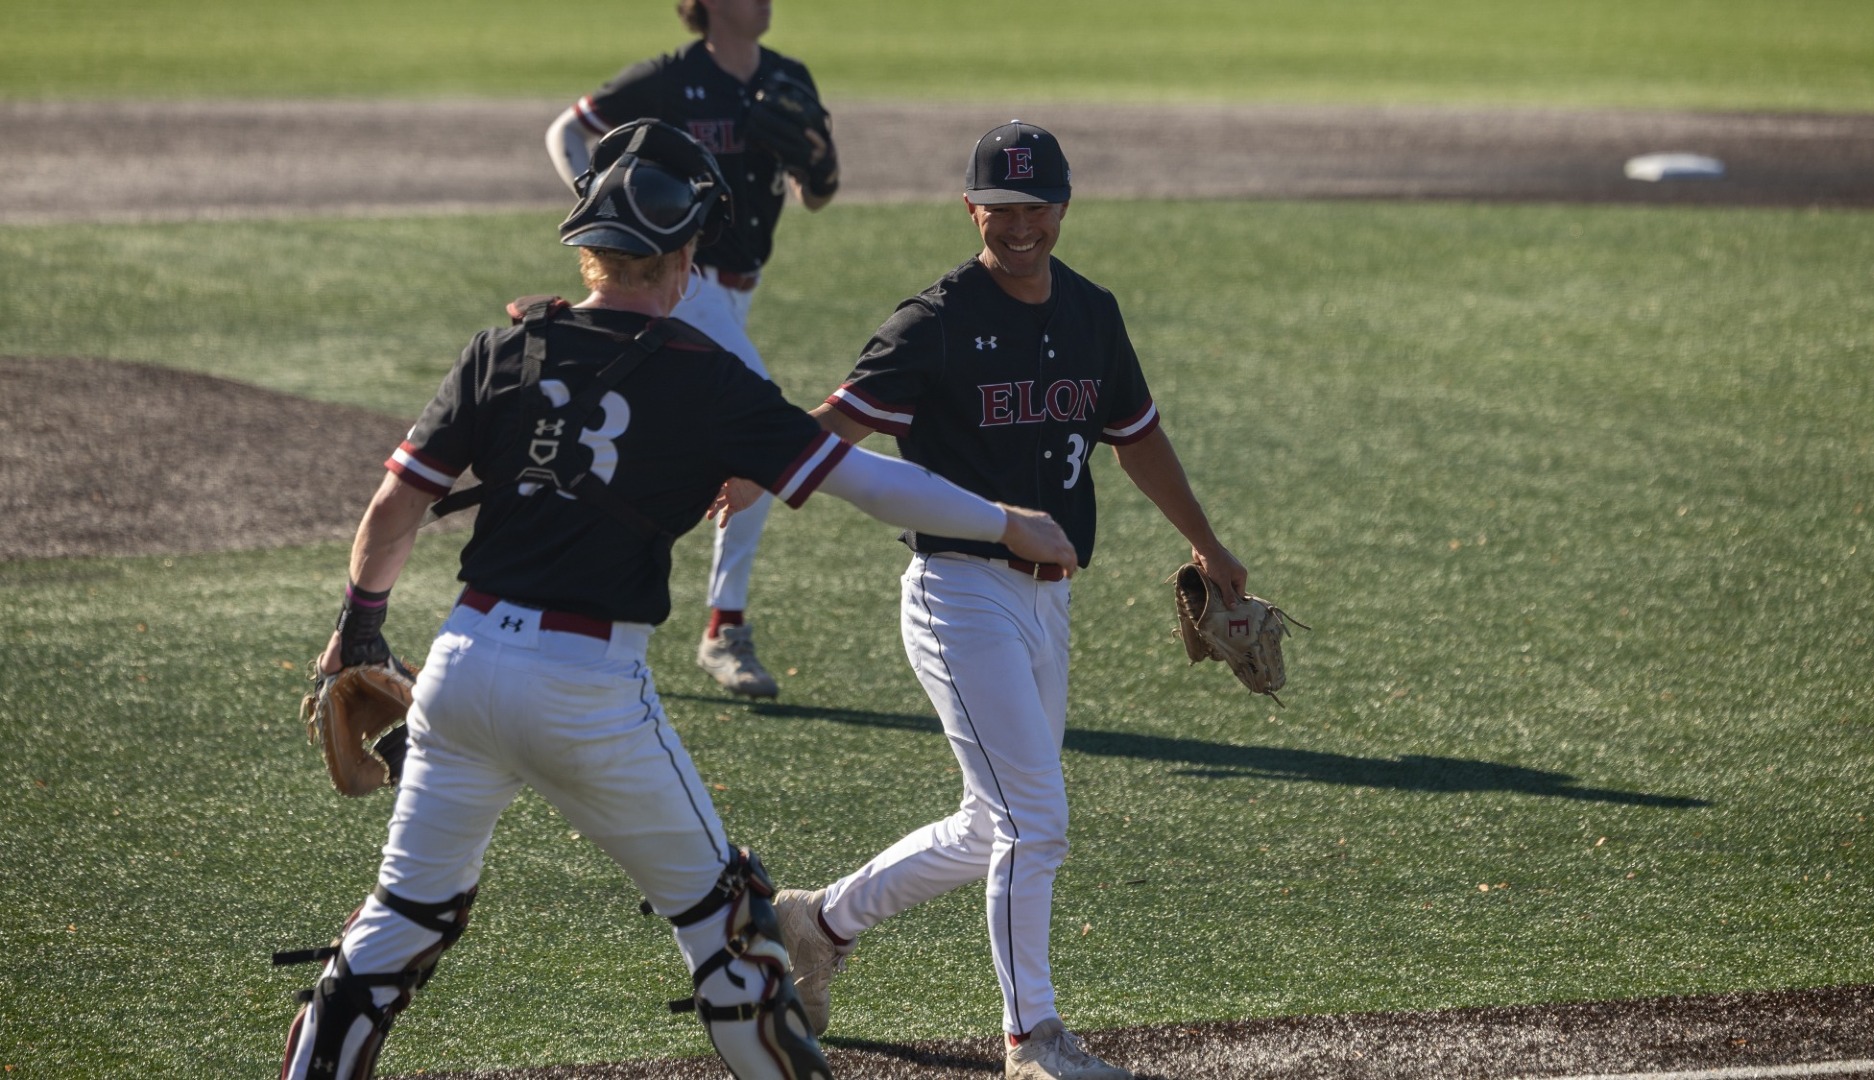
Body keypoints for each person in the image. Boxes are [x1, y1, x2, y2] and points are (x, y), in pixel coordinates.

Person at [272, 119, 1075, 1080]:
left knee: (404, 920)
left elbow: (393, 507)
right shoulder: (709, 381)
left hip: (461, 668)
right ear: (685, 260)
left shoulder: (504, 349)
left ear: (591, 249)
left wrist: (359, 624)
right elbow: (864, 480)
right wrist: (1003, 521)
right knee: (732, 932)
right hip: (585, 687)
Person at [765, 120, 1250, 1080]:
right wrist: (754, 461)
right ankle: (1032, 1037)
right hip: (957, 597)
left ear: (1063, 207)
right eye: (1001, 208)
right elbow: (840, 420)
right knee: (1038, 820)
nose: (1020, 225)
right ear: (970, 208)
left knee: (994, 824)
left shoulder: (1092, 312)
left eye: (1038, 207)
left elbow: (1136, 433)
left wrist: (1203, 537)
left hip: (1047, 603)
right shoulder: (935, 320)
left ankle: (817, 923)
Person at [545, 0, 839, 699]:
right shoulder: (669, 79)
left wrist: (820, 163)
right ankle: (723, 626)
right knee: (767, 434)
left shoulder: (789, 77)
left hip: (739, 290)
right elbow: (568, 128)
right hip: (682, 281)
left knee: (648, 451)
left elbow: (817, 194)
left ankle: (572, 608)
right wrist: (600, 201)